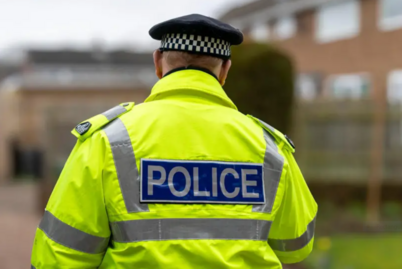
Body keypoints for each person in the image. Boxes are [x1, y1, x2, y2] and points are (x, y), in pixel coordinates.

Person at [31, 14, 317, 269]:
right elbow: (296, 245)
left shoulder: (108, 140)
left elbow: (59, 257)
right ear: (225, 70)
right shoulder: (269, 146)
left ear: (158, 62)